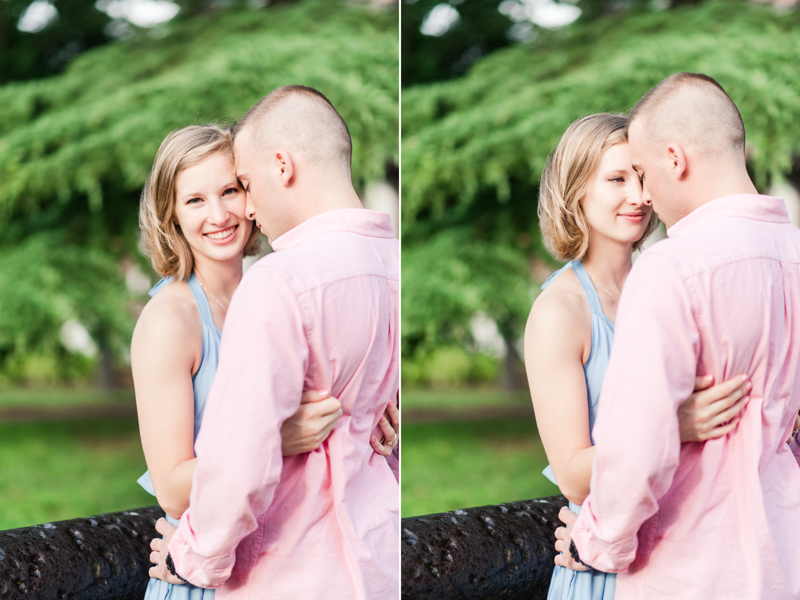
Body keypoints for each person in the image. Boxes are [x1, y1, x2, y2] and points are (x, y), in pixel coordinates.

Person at [147, 86, 400, 599]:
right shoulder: (169, 320)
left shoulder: (281, 283)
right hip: (211, 564)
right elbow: (172, 486)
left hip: (303, 557)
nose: (220, 214)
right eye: (195, 200)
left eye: (234, 188)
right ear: (171, 215)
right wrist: (274, 440)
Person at [555, 73, 800, 599]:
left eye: (641, 172)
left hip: (694, 567)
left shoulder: (674, 265)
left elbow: (636, 447)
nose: (644, 195)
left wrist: (594, 546)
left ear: (675, 159)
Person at [524, 112, 752, 600]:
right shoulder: (559, 313)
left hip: (689, 554)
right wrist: (675, 425)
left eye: (643, 178)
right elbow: (572, 475)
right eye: (616, 179)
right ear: (576, 190)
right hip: (604, 563)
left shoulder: (671, 282)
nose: (640, 196)